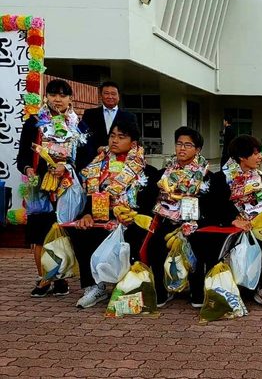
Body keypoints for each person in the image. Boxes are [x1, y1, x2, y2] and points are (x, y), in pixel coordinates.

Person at [70, 119, 159, 308]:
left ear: (133, 143)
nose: (115, 141)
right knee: (80, 231)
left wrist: (129, 215)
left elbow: (148, 205)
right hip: (102, 218)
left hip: (130, 220)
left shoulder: (147, 171)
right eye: (112, 136)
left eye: (121, 137)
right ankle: (95, 286)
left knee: (136, 234)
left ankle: (131, 285)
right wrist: (86, 214)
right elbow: (91, 197)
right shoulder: (97, 167)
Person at [207, 135, 262, 311]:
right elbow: (215, 207)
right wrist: (233, 220)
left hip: (258, 223)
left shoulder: (259, 176)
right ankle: (248, 286)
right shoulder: (222, 178)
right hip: (234, 225)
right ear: (242, 157)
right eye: (255, 154)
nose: (260, 157)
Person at [17, 79, 88, 298]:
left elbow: (85, 159)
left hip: (67, 187)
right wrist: (29, 169)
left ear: (70, 99)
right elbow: (23, 157)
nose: (57, 99)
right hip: (40, 187)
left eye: (63, 95)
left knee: (62, 232)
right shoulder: (34, 122)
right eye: (53, 94)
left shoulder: (78, 126)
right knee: (39, 233)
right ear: (45, 96)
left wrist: (66, 166)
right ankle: (44, 279)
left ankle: (62, 278)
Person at [145, 126, 211, 308]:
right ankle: (162, 290)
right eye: (179, 144)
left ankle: (196, 291)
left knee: (195, 244)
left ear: (197, 150)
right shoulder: (164, 173)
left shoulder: (205, 175)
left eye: (188, 145)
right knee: (154, 245)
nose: (182, 148)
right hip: (167, 220)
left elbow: (208, 203)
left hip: (194, 222)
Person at [79, 81, 137, 169]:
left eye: (113, 94)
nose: (110, 97)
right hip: (93, 161)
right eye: (106, 93)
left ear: (119, 96)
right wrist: (97, 148)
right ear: (101, 96)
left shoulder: (129, 117)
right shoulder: (90, 114)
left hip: (119, 163)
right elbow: (83, 138)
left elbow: (134, 139)